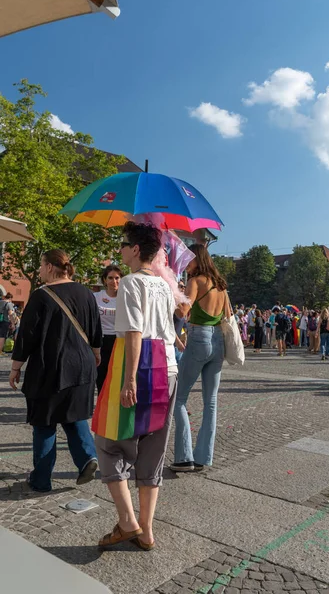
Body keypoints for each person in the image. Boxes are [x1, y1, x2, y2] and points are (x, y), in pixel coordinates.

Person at [95, 223, 178, 550]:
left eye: (123, 243)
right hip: (168, 369)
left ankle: (128, 520)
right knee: (153, 448)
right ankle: (146, 530)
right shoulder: (163, 285)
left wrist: (129, 379)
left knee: (108, 440)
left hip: (140, 366)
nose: (120, 248)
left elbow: (132, 332)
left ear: (135, 250)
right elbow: (167, 328)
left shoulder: (130, 283)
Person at [9, 249, 102, 492]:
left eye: (40, 265)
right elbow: (95, 329)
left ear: (50, 267)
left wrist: (16, 366)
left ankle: (41, 480)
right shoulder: (86, 292)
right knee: (73, 416)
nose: (39, 270)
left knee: (44, 422)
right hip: (82, 366)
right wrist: (96, 353)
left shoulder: (41, 296)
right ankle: (87, 458)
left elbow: (26, 335)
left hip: (50, 366)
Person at [171, 244, 227, 473]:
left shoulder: (196, 281)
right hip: (218, 341)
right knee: (210, 402)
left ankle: (184, 457)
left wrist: (173, 301)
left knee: (178, 398)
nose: (186, 264)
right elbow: (228, 316)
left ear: (197, 260)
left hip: (199, 337)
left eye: (188, 260)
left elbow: (183, 311)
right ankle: (204, 456)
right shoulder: (221, 285)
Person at [93, 265, 124, 393]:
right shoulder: (96, 297)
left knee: (117, 377)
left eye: (117, 278)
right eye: (110, 278)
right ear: (104, 280)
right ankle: (101, 407)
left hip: (119, 341)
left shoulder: (125, 297)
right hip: (100, 340)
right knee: (101, 377)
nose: (114, 281)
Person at [174, 281, 187, 364]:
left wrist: (184, 338)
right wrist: (177, 341)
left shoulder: (182, 306)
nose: (183, 288)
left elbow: (183, 326)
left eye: (184, 286)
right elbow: (168, 325)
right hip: (171, 345)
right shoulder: (173, 304)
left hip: (179, 346)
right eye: (181, 286)